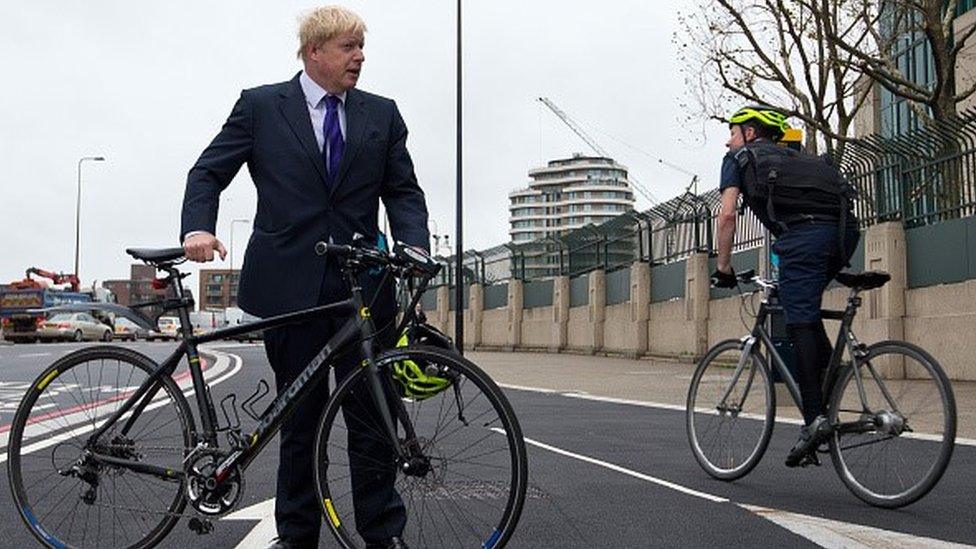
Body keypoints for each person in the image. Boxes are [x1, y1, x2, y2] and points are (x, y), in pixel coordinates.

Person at [180, 6, 429, 548]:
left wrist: (412, 244)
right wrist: (198, 228)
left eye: (362, 46)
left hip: (364, 289)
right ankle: (296, 538)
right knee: (302, 423)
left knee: (373, 420)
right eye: (348, 47)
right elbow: (209, 171)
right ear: (314, 52)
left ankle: (383, 536)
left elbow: (403, 191)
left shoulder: (381, 115)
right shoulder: (262, 106)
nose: (359, 57)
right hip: (291, 291)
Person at [712, 105, 859, 468]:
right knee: (804, 308)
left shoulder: (738, 158)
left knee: (799, 320)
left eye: (732, 131)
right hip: (845, 233)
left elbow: (728, 214)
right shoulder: (797, 158)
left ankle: (813, 420)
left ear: (749, 133)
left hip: (804, 240)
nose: (727, 139)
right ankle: (832, 377)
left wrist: (724, 266)